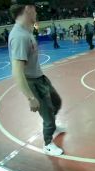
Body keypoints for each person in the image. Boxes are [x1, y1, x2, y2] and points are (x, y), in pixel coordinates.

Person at [9, 2, 64, 156]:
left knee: (56, 102)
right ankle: (47, 144)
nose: (36, 12)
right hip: (33, 83)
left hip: (40, 77)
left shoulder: (26, 31)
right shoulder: (19, 36)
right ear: (27, 8)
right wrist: (30, 97)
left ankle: (53, 128)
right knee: (47, 116)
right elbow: (17, 72)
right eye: (34, 9)